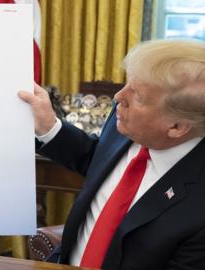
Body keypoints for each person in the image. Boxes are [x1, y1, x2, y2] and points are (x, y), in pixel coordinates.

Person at [19, 39, 205, 269]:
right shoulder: (126, 122)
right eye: (128, 83)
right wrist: (49, 127)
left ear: (177, 128)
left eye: (137, 95)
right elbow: (96, 159)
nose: (118, 97)